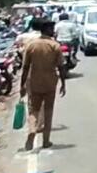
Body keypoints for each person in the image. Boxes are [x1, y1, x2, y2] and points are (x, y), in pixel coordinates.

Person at [19, 17, 67, 152]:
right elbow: (62, 67)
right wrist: (63, 83)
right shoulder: (55, 46)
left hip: (34, 82)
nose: (53, 31)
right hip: (50, 83)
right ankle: (46, 141)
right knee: (48, 112)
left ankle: (32, 130)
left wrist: (22, 85)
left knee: (34, 110)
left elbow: (25, 67)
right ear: (46, 29)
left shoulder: (31, 45)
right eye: (51, 28)